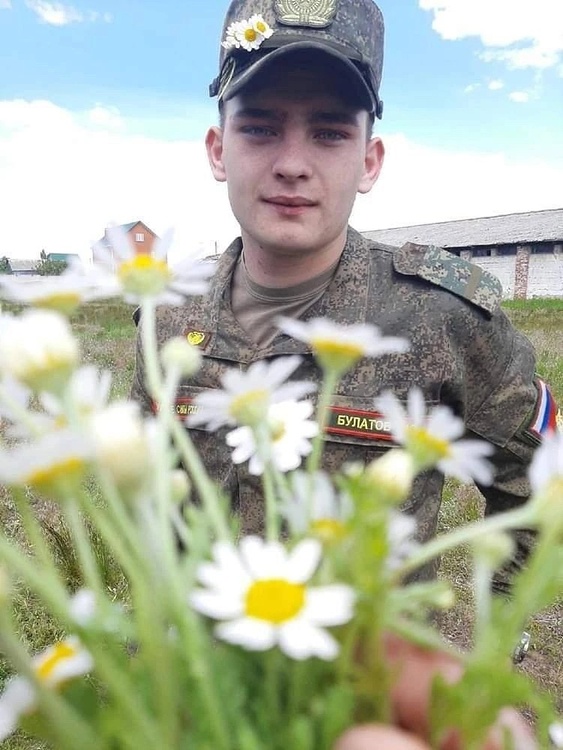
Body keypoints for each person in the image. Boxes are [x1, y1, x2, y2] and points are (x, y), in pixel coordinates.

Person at [131, 0, 556, 593]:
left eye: (329, 133)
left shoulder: (444, 315)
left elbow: (542, 483)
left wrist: (493, 627)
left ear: (369, 162)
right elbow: (144, 483)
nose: (292, 165)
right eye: (259, 128)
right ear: (218, 150)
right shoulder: (168, 314)